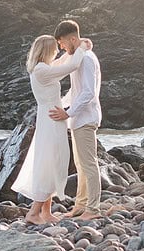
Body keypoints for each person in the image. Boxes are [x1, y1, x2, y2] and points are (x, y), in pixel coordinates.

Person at [12, 33, 91, 224]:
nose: (57, 51)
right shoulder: (41, 70)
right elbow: (70, 66)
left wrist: (75, 48)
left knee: (53, 161)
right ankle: (33, 213)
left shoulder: (42, 67)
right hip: (51, 120)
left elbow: (63, 62)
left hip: (51, 118)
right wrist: (81, 48)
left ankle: (45, 213)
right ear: (47, 51)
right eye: (54, 49)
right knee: (51, 161)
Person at [49, 18, 102, 220]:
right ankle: (80, 206)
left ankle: (93, 209)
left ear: (72, 38)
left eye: (62, 43)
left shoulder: (87, 58)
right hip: (79, 119)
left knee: (89, 164)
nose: (61, 47)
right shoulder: (80, 57)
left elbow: (88, 92)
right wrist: (61, 105)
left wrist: (68, 112)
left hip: (85, 118)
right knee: (81, 165)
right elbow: (76, 90)